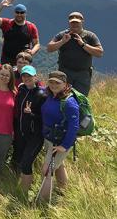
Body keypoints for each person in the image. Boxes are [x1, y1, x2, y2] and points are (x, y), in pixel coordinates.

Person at [39, 71, 79, 201]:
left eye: (58, 83)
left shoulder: (69, 102)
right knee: (58, 166)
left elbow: (74, 126)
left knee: (47, 170)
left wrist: (65, 145)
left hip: (59, 143)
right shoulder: (50, 95)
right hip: (50, 139)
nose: (54, 85)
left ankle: (43, 202)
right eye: (51, 82)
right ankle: (63, 192)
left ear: (65, 85)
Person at [46, 12, 104, 95]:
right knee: (63, 98)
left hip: (83, 74)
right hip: (65, 73)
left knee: (81, 99)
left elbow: (100, 53)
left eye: (77, 22)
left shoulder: (90, 36)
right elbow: (49, 48)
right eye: (72, 22)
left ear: (82, 22)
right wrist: (62, 41)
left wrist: (83, 44)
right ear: (69, 22)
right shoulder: (63, 35)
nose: (74, 24)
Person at [13, 65, 47, 191]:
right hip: (21, 133)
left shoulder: (42, 95)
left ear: (35, 77)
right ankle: (21, 187)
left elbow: (45, 118)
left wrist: (31, 114)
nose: (26, 78)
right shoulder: (21, 89)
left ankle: (24, 192)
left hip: (35, 136)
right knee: (19, 161)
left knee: (26, 163)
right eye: (24, 76)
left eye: (29, 76)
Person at [0, 0, 40, 65]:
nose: (19, 14)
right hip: (7, 60)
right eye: (17, 12)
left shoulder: (31, 27)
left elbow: (37, 44)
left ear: (26, 13)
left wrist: (32, 52)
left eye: (22, 12)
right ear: (14, 13)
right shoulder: (7, 23)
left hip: (24, 61)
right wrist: (1, 6)